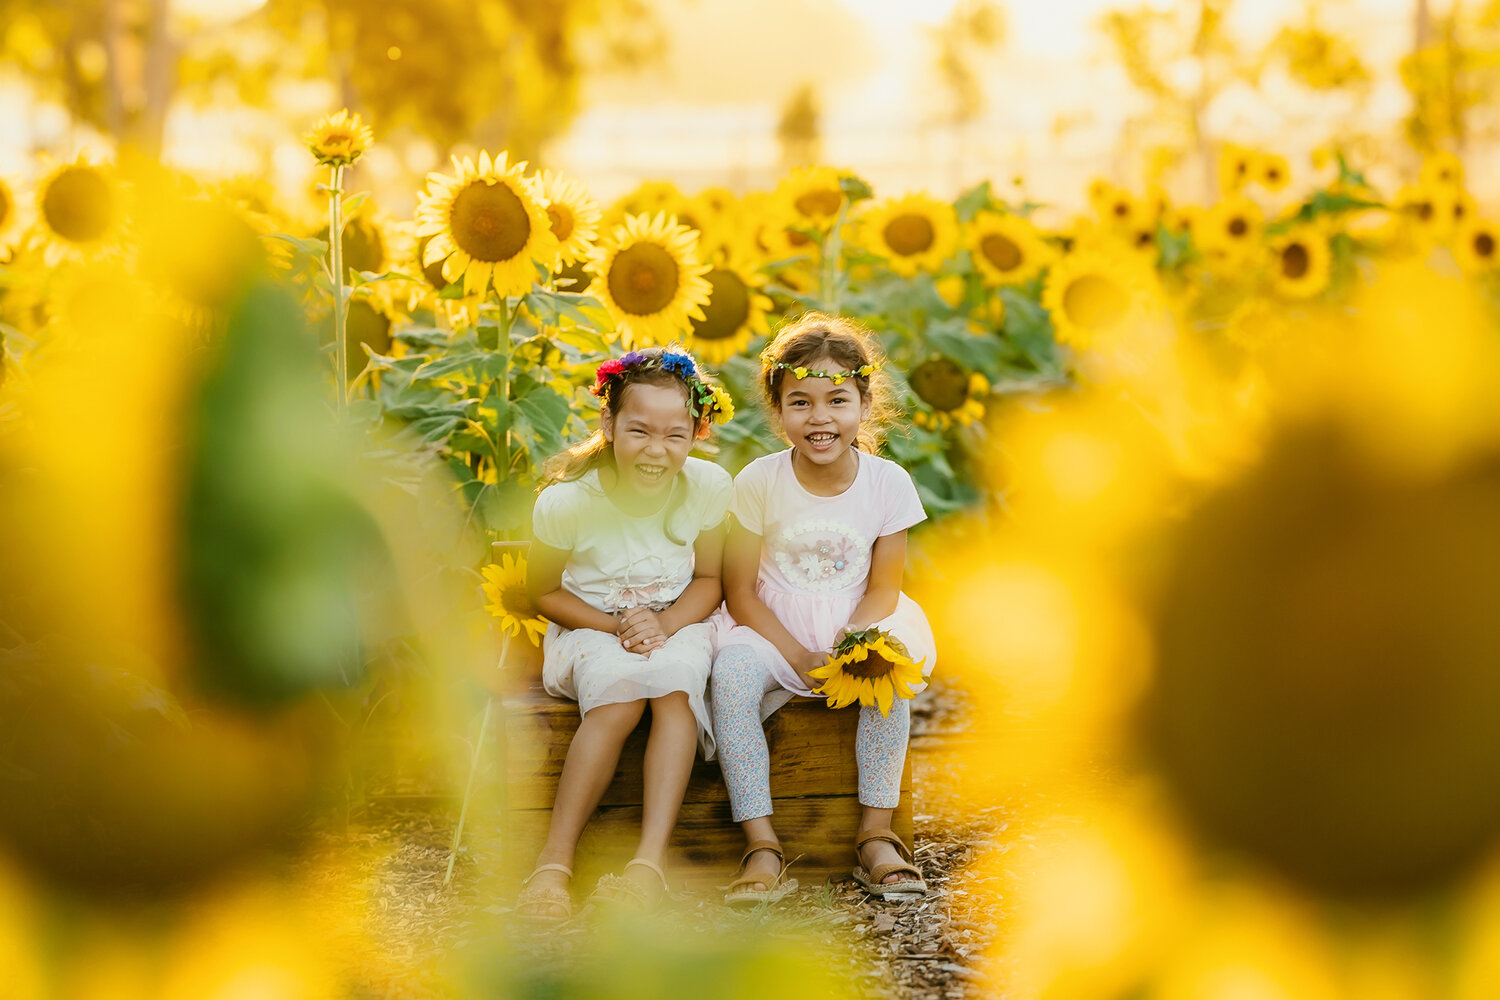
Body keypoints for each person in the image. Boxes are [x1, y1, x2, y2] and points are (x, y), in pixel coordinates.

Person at [710, 311, 937, 906]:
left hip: (855, 618)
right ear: (779, 410)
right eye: (800, 402)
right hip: (769, 623)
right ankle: (761, 843)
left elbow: (884, 588)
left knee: (892, 674)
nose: (820, 418)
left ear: (863, 404)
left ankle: (875, 835)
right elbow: (739, 592)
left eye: (836, 400)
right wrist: (794, 651)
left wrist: (850, 645)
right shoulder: (758, 482)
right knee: (730, 678)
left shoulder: (888, 484)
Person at [515, 346, 734, 922]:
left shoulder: (707, 488)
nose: (656, 450)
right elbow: (544, 593)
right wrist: (616, 625)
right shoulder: (568, 504)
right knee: (616, 698)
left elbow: (710, 579)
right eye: (639, 430)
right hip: (588, 624)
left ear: (697, 434)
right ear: (609, 425)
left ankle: (647, 865)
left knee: (676, 688)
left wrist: (663, 623)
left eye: (675, 435)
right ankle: (555, 863)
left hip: (679, 618)